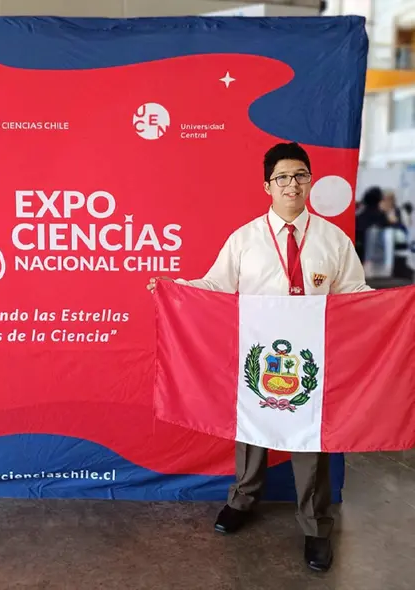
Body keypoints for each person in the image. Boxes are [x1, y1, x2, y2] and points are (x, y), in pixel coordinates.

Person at [147, 142, 371, 572]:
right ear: (267, 185)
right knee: (251, 428)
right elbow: (216, 284)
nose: (292, 183)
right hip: (258, 355)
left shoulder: (332, 239)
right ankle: (243, 499)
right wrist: (174, 289)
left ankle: (315, 525)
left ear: (310, 181)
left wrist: (392, 306)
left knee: (310, 438)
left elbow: (354, 295)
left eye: (300, 175)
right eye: (283, 177)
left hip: (311, 358)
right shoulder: (245, 239)